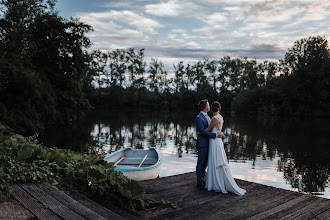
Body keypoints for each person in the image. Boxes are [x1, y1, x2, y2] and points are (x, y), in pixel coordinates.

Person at [204, 101, 246, 195]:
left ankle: (216, 184)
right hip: (218, 141)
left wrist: (199, 131)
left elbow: (208, 130)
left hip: (214, 142)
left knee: (215, 162)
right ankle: (216, 182)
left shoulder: (214, 118)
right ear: (219, 108)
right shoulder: (220, 117)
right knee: (217, 161)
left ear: (212, 108)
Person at [195, 99, 223, 190]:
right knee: (201, 163)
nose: (209, 106)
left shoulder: (208, 116)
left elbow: (209, 128)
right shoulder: (199, 118)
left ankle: (202, 179)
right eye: (208, 105)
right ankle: (199, 182)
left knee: (205, 163)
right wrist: (215, 135)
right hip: (202, 144)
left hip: (210, 144)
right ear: (205, 107)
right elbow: (202, 131)